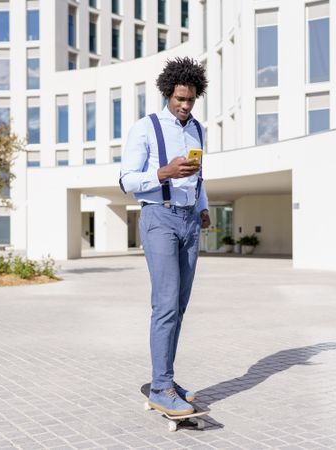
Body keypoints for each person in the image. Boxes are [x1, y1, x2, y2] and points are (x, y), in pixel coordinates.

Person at [119, 57, 210, 416]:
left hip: (189, 221)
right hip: (159, 218)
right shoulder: (145, 128)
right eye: (179, 99)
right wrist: (164, 172)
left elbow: (198, 177)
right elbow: (127, 180)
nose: (185, 106)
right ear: (168, 94)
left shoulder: (197, 130)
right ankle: (159, 386)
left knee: (180, 306)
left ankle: (166, 378)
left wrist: (202, 206)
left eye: (190, 100)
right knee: (166, 305)